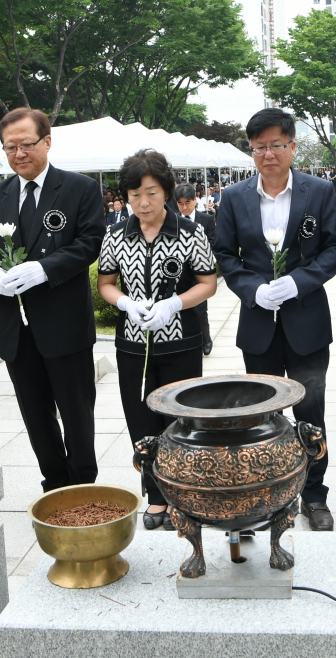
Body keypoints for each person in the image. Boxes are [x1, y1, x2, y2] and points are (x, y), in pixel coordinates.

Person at [213, 108, 336, 531]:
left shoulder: (319, 191)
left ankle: (314, 495)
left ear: (292, 146)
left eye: (276, 145)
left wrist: (298, 283)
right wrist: (253, 289)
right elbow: (224, 255)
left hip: (306, 321)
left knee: (311, 411)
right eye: (259, 147)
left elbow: (335, 249)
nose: (268, 154)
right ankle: (268, 494)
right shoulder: (234, 198)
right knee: (261, 415)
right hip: (258, 324)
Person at [0, 108, 106, 493]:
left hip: (64, 323)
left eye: (26, 144)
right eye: (9, 147)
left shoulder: (78, 188)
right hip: (16, 326)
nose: (18, 154)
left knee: (76, 412)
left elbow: (89, 242)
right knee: (35, 413)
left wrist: (46, 269)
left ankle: (82, 484)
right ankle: (55, 482)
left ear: (47, 141)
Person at [98, 151, 217, 529]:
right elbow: (105, 283)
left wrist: (175, 304)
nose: (143, 203)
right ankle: (155, 496)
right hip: (133, 346)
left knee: (180, 420)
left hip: (180, 343)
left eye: (150, 193)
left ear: (166, 190)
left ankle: (185, 495)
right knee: (141, 421)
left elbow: (208, 283)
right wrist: (125, 303)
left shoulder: (189, 232)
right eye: (134, 195)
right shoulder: (116, 233)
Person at [175, 183, 217, 355]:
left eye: (188, 203)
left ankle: (205, 339)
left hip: (200, 273)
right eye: (180, 204)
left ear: (195, 200)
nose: (184, 207)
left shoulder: (205, 219)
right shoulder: (173, 220)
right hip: (179, 273)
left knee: (200, 310)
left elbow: (213, 243)